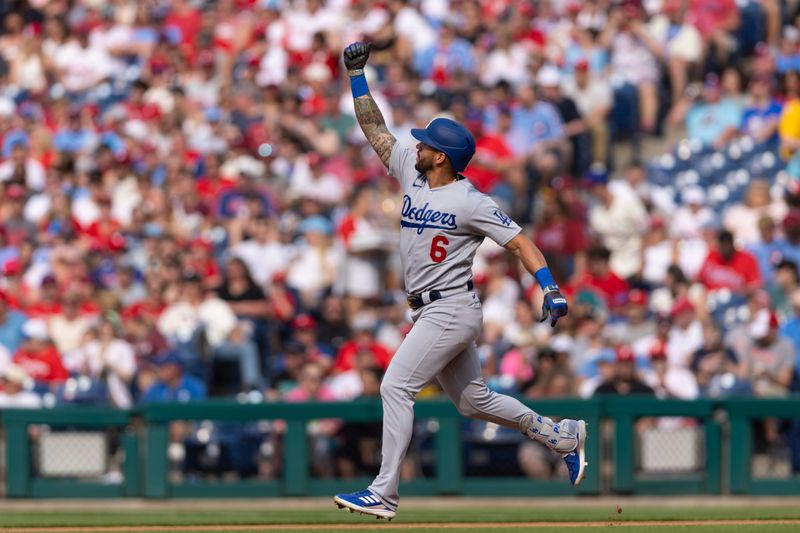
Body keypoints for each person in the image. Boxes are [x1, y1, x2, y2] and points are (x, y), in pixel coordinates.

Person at [333, 42, 584, 521]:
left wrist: (550, 287)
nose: (417, 146)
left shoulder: (471, 201)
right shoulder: (412, 169)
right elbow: (376, 131)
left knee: (395, 387)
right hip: (428, 308)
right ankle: (562, 435)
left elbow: (520, 244)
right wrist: (358, 76)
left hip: (451, 306)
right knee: (474, 402)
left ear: (442, 158)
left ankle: (384, 492)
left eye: (426, 143)